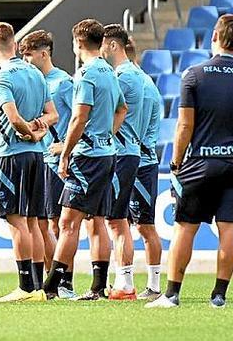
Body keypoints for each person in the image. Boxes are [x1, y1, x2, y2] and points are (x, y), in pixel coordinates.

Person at [147, 14, 233, 309]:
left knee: (185, 226)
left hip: (200, 162)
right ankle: (219, 295)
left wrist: (174, 164)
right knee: (230, 228)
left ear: (214, 38)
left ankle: (171, 294)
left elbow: (184, 126)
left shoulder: (194, 75)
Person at [42, 19, 126, 301]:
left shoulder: (86, 74)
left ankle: (50, 287)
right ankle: (97, 288)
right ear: (101, 42)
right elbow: (122, 109)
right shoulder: (110, 72)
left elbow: (79, 117)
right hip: (106, 154)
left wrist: (66, 151)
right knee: (97, 220)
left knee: (67, 222)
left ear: (78, 43)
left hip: (87, 158)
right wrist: (105, 136)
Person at [0, 22, 58, 303]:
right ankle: (38, 286)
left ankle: (26, 287)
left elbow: (13, 118)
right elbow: (52, 115)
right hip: (37, 155)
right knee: (33, 221)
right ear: (15, 45)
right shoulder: (36, 74)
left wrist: (28, 133)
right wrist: (39, 130)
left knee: (17, 222)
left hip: (12, 154)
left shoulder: (1, 78)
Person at [19, 30, 76, 298]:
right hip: (39, 159)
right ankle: (48, 283)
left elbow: (81, 118)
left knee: (57, 224)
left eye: (29, 54)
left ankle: (64, 282)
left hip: (57, 162)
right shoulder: (32, 82)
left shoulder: (63, 82)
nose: (26, 60)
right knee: (43, 224)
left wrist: (65, 145)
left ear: (44, 53)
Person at [100, 24, 146, 301]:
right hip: (130, 151)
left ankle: (125, 284)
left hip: (121, 152)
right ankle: (123, 281)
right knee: (119, 221)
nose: (101, 50)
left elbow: (113, 113)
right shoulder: (134, 74)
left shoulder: (122, 77)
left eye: (103, 45)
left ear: (113, 45)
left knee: (117, 222)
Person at [126, 39, 164, 301]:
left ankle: (154, 284)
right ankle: (126, 280)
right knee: (125, 224)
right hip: (139, 160)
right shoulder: (144, 82)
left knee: (145, 226)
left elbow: (135, 128)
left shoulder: (139, 84)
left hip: (141, 162)